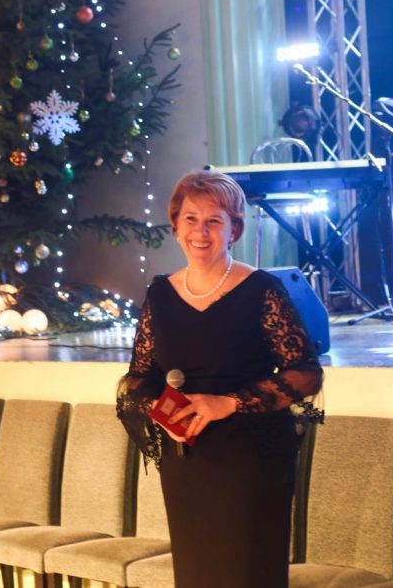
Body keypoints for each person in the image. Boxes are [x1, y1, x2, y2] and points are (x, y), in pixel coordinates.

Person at [117, 169, 324, 588]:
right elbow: (138, 379)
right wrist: (162, 411)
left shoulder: (262, 290)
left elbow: (305, 373)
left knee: (246, 574)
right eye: (191, 219)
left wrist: (227, 403)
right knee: (198, 574)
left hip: (251, 460)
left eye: (214, 220)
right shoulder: (160, 294)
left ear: (234, 230)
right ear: (176, 226)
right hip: (187, 461)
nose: (201, 231)